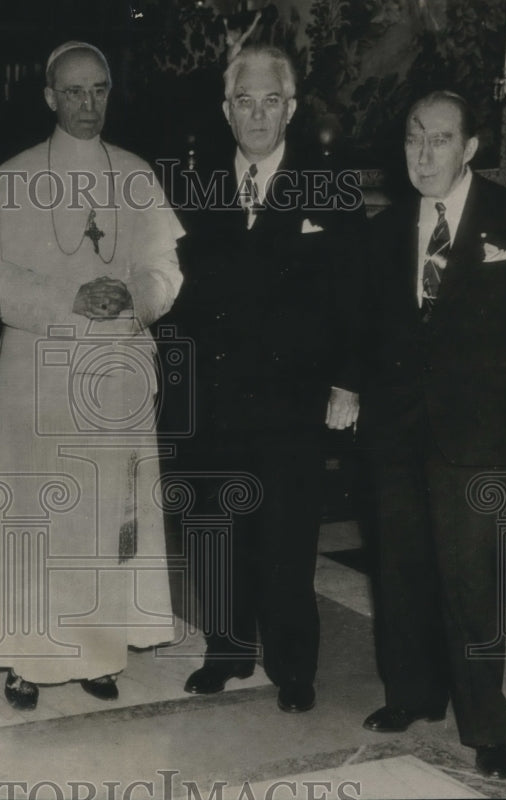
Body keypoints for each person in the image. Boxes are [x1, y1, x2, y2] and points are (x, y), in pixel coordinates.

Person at [0, 41, 183, 710]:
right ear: (50, 97)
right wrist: (70, 300)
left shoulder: (138, 175)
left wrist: (135, 294)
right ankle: (26, 658)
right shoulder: (14, 175)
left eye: (100, 90)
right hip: (38, 368)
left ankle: (98, 653)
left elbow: (166, 269)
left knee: (102, 512)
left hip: (114, 366)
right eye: (74, 91)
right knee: (35, 514)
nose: (89, 104)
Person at [359, 90, 506, 780]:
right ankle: (411, 696)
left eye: (440, 140)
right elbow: (369, 329)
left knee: (472, 584)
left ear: (470, 148)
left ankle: (486, 725)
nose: (423, 153)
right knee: (402, 574)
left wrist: (504, 402)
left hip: (477, 434)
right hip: (396, 436)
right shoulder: (384, 229)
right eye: (414, 137)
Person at [171, 44, 364, 712]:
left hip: (293, 402)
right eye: (244, 101)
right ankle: (225, 652)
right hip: (214, 399)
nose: (257, 113)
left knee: (286, 538)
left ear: (291, 108)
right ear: (227, 110)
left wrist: (347, 380)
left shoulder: (328, 189)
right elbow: (175, 299)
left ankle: (293, 665)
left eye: (270, 100)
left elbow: (358, 298)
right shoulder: (194, 192)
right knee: (215, 533)